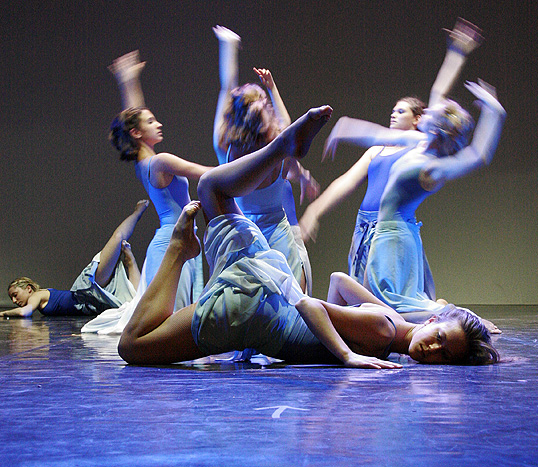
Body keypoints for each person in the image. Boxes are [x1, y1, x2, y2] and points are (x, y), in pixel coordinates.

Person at [117, 108, 499, 368]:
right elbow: (310, 307)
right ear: (433, 319)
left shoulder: (389, 320)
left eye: (444, 354)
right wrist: (345, 356)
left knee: (212, 187)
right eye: (440, 337)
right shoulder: (384, 329)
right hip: (252, 319)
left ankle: (278, 150)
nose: (433, 349)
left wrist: (331, 348)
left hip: (263, 294)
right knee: (131, 346)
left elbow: (338, 283)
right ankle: (179, 250)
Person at [300, 18, 484, 305]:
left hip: (391, 230)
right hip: (365, 225)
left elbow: (439, 92)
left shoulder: (420, 147)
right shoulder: (378, 150)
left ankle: (440, 317)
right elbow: (345, 183)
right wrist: (314, 211)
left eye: (401, 111)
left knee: (391, 298)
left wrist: (457, 52)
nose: (394, 114)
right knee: (363, 296)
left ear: (420, 119)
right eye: (393, 110)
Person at [323, 77, 506, 318]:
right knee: (378, 301)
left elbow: (478, 155)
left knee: (386, 304)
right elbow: (378, 135)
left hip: (393, 237)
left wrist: (495, 112)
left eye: (433, 112)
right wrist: (344, 129)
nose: (427, 109)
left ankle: (455, 317)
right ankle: (447, 315)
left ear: (437, 128)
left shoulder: (432, 168)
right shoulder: (418, 141)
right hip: (388, 232)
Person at [81, 51, 212, 334]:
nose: (159, 123)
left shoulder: (144, 163)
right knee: (167, 316)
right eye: (152, 122)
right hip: (171, 243)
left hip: (171, 240)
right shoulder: (160, 162)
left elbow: (134, 120)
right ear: (138, 133)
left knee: (167, 312)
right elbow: (207, 172)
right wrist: (262, 159)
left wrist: (128, 81)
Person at [212, 26, 318, 294]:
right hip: (278, 236)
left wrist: (229, 48)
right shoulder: (279, 151)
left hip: (247, 235)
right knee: (290, 302)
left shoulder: (227, 150)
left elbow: (227, 88)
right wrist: (272, 89)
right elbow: (288, 129)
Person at [2, 200, 149, 318]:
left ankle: (138, 211)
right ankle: (129, 259)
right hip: (93, 302)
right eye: (12, 299)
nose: (14, 301)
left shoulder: (37, 295)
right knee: (135, 301)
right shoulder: (39, 299)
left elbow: (24, 313)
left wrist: (2, 313)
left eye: (15, 295)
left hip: (88, 290)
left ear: (28, 289)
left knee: (117, 238)